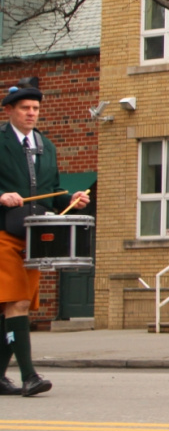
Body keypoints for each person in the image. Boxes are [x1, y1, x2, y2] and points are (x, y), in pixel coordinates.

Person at [0, 80, 89, 397]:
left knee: (14, 306)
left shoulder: (46, 146)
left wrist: (71, 198)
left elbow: (52, 191)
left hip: (33, 236)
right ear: (9, 110)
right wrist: (1, 195)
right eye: (25, 108)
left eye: (35, 109)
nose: (31, 113)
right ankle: (29, 376)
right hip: (3, 232)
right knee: (18, 302)